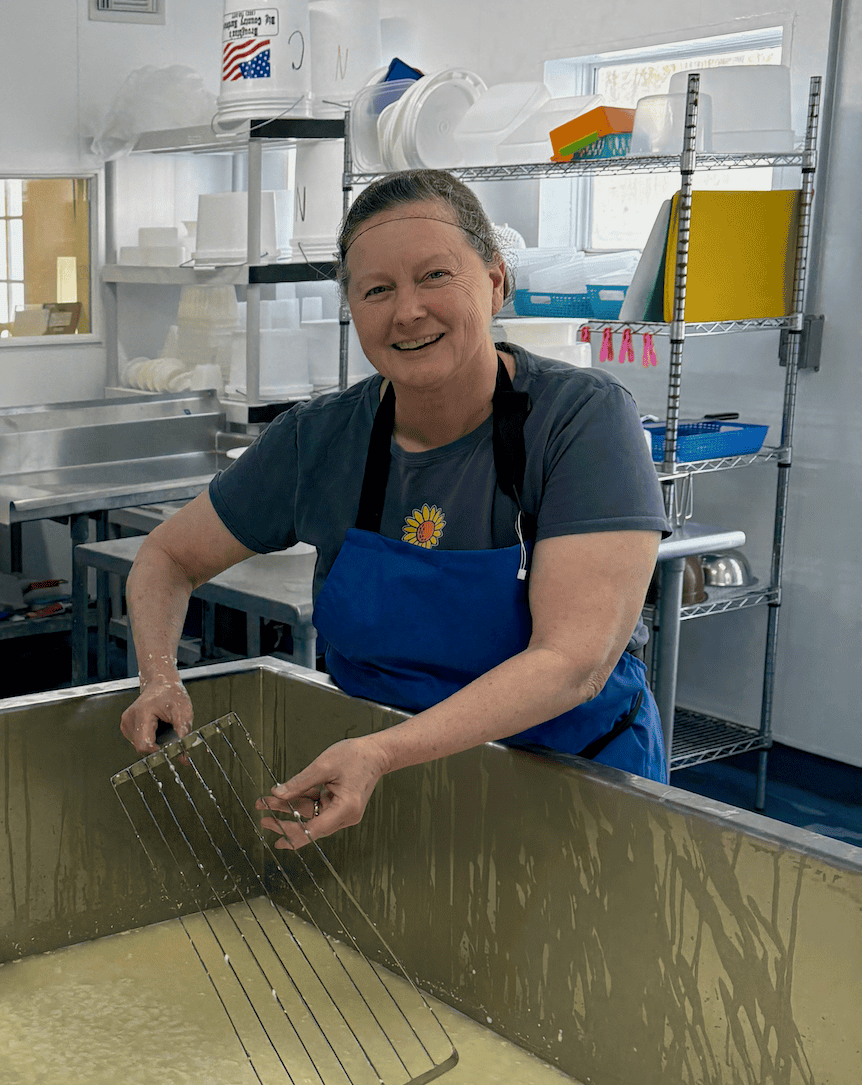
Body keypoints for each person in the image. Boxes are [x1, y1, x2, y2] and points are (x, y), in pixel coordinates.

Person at [120, 169, 667, 841]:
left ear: (495, 280)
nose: (407, 310)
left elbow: (572, 662)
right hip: (392, 800)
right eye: (377, 289)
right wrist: (157, 677)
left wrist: (383, 751)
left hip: (571, 793)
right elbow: (168, 555)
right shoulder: (317, 440)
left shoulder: (581, 421)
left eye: (435, 275)